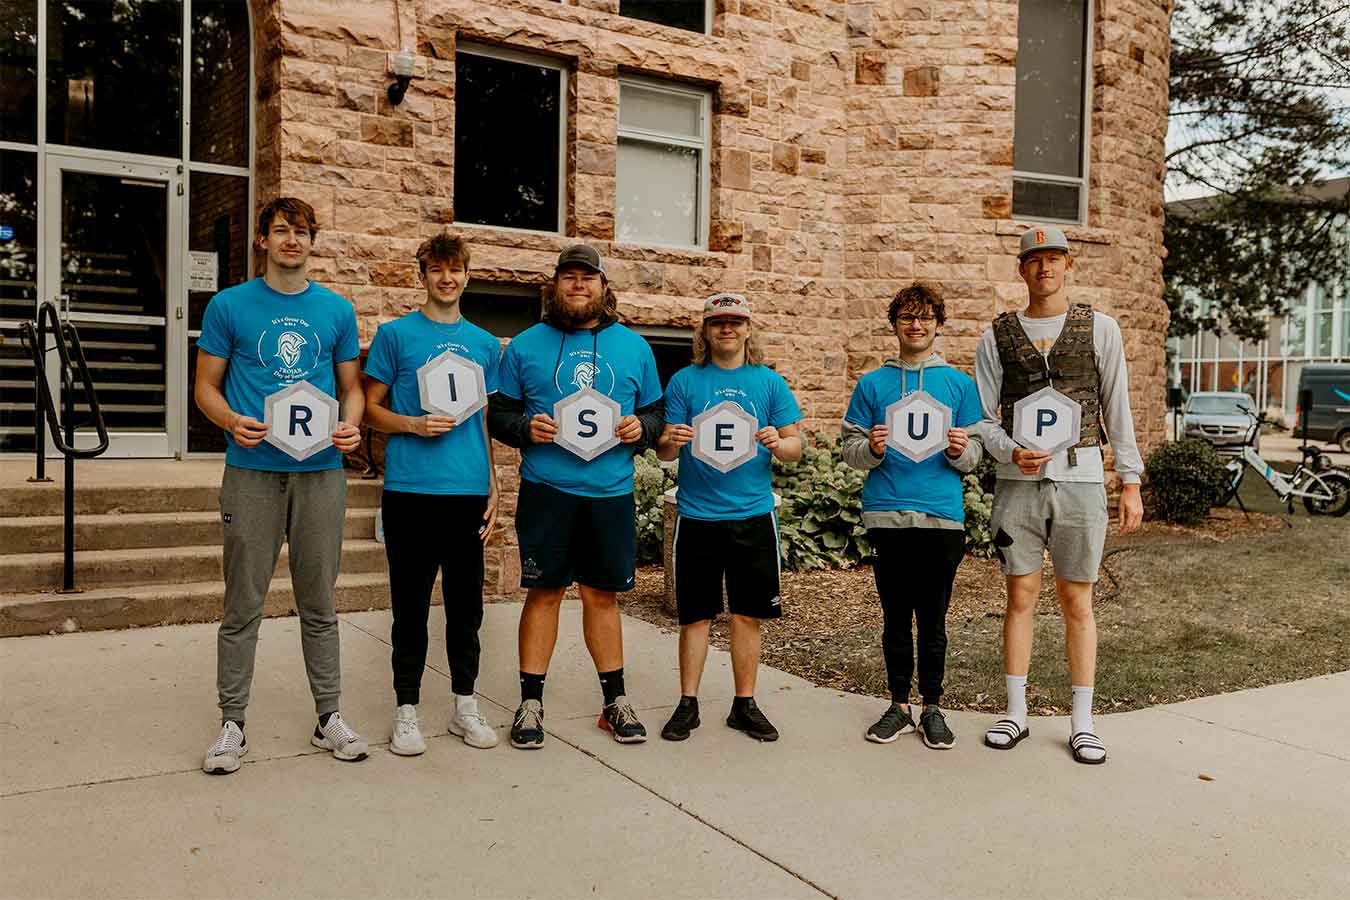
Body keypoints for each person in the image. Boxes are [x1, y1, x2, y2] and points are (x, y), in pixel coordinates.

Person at [195, 197, 368, 774]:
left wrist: (352, 425)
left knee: (319, 601)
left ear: (313, 240)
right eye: (281, 230)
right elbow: (206, 387)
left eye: (301, 231)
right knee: (243, 601)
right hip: (252, 472)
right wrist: (228, 421)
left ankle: (329, 717)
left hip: (318, 471)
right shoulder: (229, 306)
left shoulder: (337, 310)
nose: (292, 239)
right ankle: (232, 723)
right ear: (263, 241)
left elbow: (353, 388)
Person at [973, 225, 1144, 765]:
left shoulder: (1101, 328)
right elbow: (980, 417)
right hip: (1019, 485)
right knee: (1019, 595)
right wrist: (1006, 451)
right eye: (1033, 259)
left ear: (1069, 265)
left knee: (1078, 600)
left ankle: (1082, 721)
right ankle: (1016, 712)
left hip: (1081, 479)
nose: (1044, 268)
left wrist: (1131, 481)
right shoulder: (996, 335)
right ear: (1020, 270)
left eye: (1053, 258)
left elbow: (1118, 406)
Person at [487, 244, 664, 749]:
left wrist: (641, 428)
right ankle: (530, 703)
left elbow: (655, 414)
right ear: (555, 285)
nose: (579, 285)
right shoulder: (523, 346)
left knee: (601, 596)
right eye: (569, 277)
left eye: (588, 278)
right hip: (550, 490)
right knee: (543, 592)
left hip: (609, 492)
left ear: (604, 287)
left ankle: (615, 701)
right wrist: (525, 427)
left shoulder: (634, 347)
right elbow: (498, 413)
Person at [363, 233, 502, 756]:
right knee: (410, 607)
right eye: (436, 270)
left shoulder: (486, 344)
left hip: (466, 492)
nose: (447, 278)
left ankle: (464, 705)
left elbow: (485, 418)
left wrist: (492, 482)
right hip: (411, 491)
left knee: (466, 609)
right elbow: (369, 408)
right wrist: (413, 426)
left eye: (456, 269)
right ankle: (407, 710)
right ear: (421, 276)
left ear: (467, 275)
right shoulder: (396, 335)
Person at [841, 283, 984, 749]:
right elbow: (850, 449)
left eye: (924, 317)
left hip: (941, 518)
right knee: (896, 616)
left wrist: (964, 452)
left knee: (935, 618)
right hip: (887, 515)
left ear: (939, 325)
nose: (916, 325)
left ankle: (933, 707)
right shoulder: (873, 384)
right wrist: (874, 450)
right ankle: (899, 705)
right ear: (894, 325)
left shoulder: (959, 384)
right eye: (906, 317)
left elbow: (978, 452)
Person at [655, 293, 802, 743]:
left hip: (753, 515)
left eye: (735, 322)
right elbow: (662, 449)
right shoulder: (684, 381)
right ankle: (687, 704)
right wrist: (671, 440)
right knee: (694, 616)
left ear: (748, 329)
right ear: (704, 330)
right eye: (717, 323)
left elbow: (796, 449)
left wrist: (779, 442)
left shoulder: (769, 383)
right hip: (698, 515)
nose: (726, 330)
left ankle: (745, 703)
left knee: (747, 615)